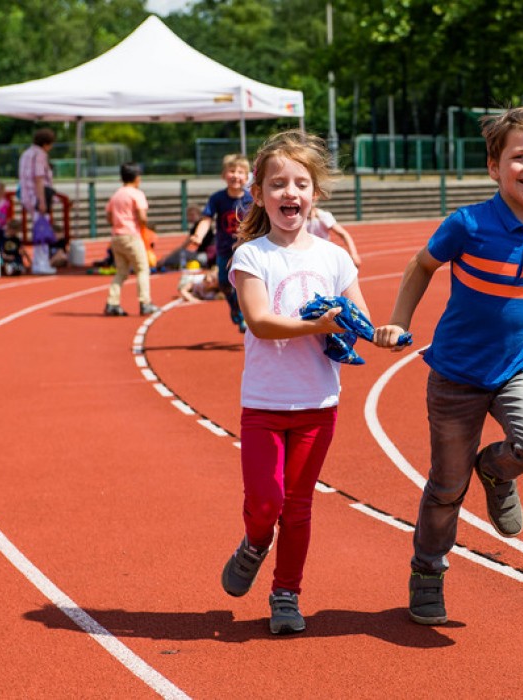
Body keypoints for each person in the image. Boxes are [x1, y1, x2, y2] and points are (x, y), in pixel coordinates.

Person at [373, 106, 523, 626]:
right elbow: (421, 265)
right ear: (494, 166)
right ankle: (428, 570)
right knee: (446, 485)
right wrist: (396, 320)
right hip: (457, 375)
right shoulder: (467, 224)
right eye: (519, 156)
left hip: (518, 368)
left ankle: (497, 469)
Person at [221, 130, 369, 635]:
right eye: (278, 183)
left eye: (301, 183)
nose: (291, 193)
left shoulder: (333, 257)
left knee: (299, 506)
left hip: (317, 402)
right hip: (264, 403)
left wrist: (380, 331)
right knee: (266, 502)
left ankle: (287, 593)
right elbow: (260, 322)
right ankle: (254, 542)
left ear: (316, 194)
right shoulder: (251, 257)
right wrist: (320, 325)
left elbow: (360, 315)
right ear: (259, 193)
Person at [193, 154, 252, 332]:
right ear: (223, 175)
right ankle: (234, 308)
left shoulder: (251, 199)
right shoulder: (217, 199)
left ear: (247, 177)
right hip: (224, 249)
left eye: (241, 172)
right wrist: (198, 234)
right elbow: (206, 219)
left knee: (243, 285)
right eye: (232, 171)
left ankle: (243, 317)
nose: (236, 175)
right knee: (224, 284)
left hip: (246, 249)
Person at [103, 162, 159, 317]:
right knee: (142, 269)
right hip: (131, 235)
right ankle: (145, 302)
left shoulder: (116, 194)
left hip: (116, 236)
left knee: (121, 272)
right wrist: (144, 224)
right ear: (136, 177)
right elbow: (142, 216)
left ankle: (112, 302)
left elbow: (108, 215)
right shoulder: (136, 194)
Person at [17, 128, 58, 274]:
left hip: (26, 195)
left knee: (38, 227)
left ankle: (40, 262)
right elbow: (39, 178)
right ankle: (41, 262)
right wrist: (42, 201)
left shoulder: (26, 154)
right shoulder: (40, 155)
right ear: (46, 143)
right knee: (42, 230)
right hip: (37, 196)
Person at [159, 205, 214, 271]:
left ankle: (165, 263)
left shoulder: (200, 226)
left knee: (182, 253)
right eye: (188, 215)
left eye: (192, 214)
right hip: (207, 256)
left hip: (207, 256)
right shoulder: (196, 227)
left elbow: (183, 246)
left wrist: (166, 258)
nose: (190, 217)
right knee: (184, 253)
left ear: (199, 214)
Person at [0, 181, 13, 251]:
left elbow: (8, 214)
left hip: (3, 226)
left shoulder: (5, 202)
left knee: (3, 243)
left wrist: (8, 223)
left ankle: (1, 257)